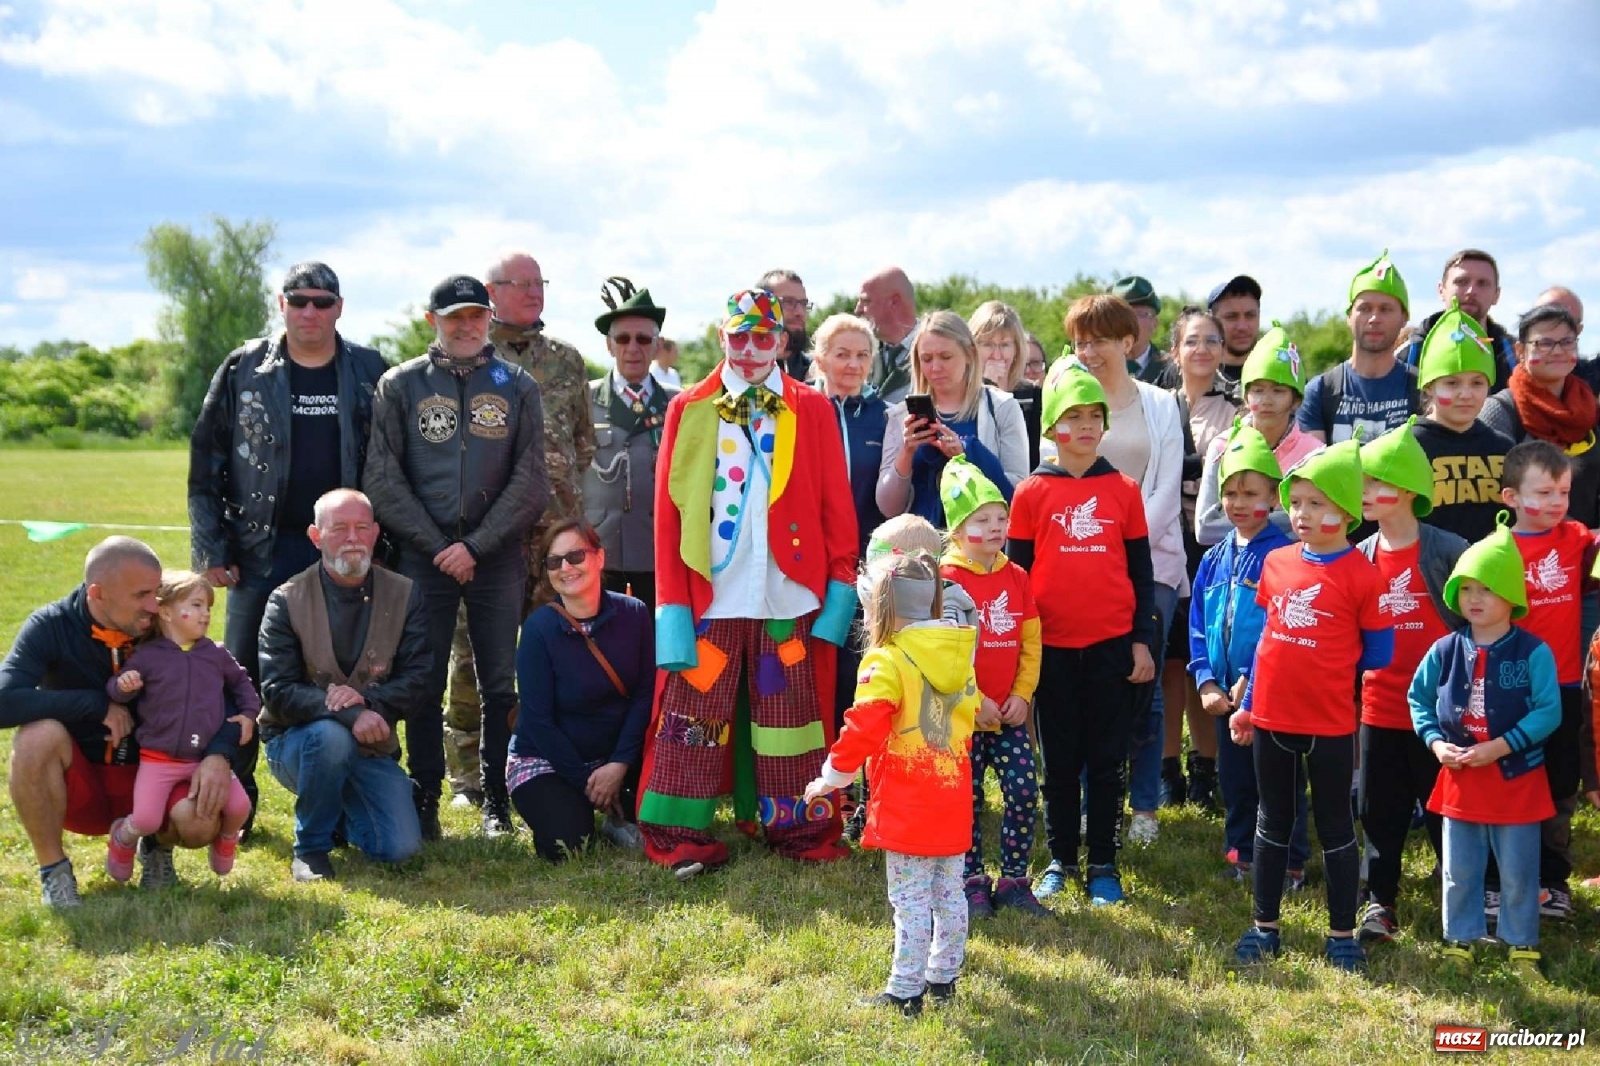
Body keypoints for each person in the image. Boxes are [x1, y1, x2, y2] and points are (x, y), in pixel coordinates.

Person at [636, 288, 860, 876]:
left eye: (765, 337)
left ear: (782, 341)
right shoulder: (689, 406)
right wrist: (672, 610)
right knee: (694, 722)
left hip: (790, 596)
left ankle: (800, 828)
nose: (752, 349)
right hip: (712, 597)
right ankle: (678, 834)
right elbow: (667, 517)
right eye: (740, 336)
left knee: (790, 719)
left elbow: (837, 506)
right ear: (722, 337)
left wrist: (840, 594)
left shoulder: (811, 407)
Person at [188, 260, 388, 840]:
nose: (309, 311)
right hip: (260, 547)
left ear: (339, 308)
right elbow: (207, 465)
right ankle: (239, 795)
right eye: (298, 300)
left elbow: (392, 466)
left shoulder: (371, 370)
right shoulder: (244, 367)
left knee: (353, 667)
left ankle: (355, 793)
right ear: (281, 304)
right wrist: (210, 545)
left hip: (346, 547)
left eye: (322, 302)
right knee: (243, 673)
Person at [363, 274, 550, 840]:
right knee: (422, 681)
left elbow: (532, 480)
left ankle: (496, 799)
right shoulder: (401, 386)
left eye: (475, 315)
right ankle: (425, 799)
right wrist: (442, 547)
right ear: (432, 322)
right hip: (425, 557)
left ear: (489, 318)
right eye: (454, 317)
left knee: (498, 682)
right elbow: (382, 477)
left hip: (494, 557)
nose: (466, 326)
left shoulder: (517, 385)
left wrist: (475, 546)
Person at [441, 253, 597, 813]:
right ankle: (468, 776)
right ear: (491, 292)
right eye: (520, 284)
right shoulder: (470, 357)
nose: (533, 292)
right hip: (488, 534)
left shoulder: (568, 360)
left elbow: (582, 441)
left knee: (554, 650)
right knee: (476, 654)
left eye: (539, 283)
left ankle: (542, 758)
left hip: (554, 536)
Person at [1229, 437, 1392, 972]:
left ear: (1346, 511)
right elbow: (1265, 642)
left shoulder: (1365, 576)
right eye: (1296, 502)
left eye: (1316, 503)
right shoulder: (1275, 562)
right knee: (1272, 820)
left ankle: (1342, 934)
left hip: (1329, 723)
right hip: (1272, 718)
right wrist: (1248, 704)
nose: (1301, 513)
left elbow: (1379, 651)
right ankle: (1264, 927)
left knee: (1336, 826)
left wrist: (1331, 674)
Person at [1, 537, 237, 906]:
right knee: (35, 736)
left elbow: (230, 698)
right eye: (141, 595)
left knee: (199, 821)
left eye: (156, 592)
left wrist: (219, 755)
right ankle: (55, 872)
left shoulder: (164, 624)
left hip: (155, 778)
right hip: (82, 787)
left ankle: (156, 847)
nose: (153, 606)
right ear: (98, 593)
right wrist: (95, 704)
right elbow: (3, 702)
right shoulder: (51, 625)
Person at [803, 549, 980, 1016]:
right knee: (949, 892)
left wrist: (831, 777)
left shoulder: (885, 661)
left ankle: (905, 990)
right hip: (953, 793)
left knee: (910, 900)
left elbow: (865, 724)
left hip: (908, 798)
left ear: (879, 608)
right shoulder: (959, 649)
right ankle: (944, 977)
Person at [1009, 364, 1156, 905]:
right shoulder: (1030, 493)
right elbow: (1016, 579)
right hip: (1050, 653)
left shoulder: (1124, 490)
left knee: (1107, 761)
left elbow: (1141, 572)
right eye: (1074, 416)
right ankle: (1061, 859)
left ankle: (1104, 866)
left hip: (1112, 648)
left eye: (1096, 415)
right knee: (1061, 762)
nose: (1088, 426)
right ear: (1051, 427)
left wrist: (1141, 639)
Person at [1409, 524, 1559, 979]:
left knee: (1517, 870)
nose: (1474, 598)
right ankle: (1460, 938)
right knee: (1459, 868)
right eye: (1465, 588)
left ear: (1512, 597)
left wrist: (1499, 746)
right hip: (1460, 778)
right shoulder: (1444, 649)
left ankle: (1521, 944)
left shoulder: (1534, 651)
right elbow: (1418, 699)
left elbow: (1548, 711)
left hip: (1516, 778)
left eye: (1487, 589)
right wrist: (1436, 743)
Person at [1065, 295, 1186, 844]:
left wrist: (1122, 544)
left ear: (1127, 342)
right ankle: (1095, 804)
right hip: (1081, 569)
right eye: (1080, 341)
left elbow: (1164, 488)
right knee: (1090, 690)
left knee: (1145, 686)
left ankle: (1143, 809)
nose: (1089, 351)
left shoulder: (1159, 403)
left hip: (1151, 565)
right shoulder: (1065, 398)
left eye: (1100, 340)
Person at [257, 489, 427, 881]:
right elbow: (277, 690)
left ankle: (337, 811)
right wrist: (351, 713)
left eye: (361, 527)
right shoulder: (285, 600)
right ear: (316, 537)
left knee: (399, 849)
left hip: (370, 750)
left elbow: (420, 679)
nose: (352, 537)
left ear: (375, 533)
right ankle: (311, 848)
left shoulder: (405, 594)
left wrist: (369, 699)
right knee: (331, 739)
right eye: (339, 529)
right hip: (298, 745)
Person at [1353, 422, 1467, 946]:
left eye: (1372, 482)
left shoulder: (1448, 549)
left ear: (1405, 489)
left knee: (1447, 811)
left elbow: (1475, 625)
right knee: (1380, 811)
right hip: (1378, 707)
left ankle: (1461, 904)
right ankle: (1380, 902)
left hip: (1442, 715)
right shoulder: (1360, 556)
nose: (1362, 493)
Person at [1187, 422, 1309, 885]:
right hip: (1225, 697)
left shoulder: (1285, 556)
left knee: (1279, 781)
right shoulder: (1213, 558)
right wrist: (1206, 681)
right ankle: (1241, 854)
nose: (1239, 504)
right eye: (1230, 493)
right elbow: (1198, 625)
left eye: (1250, 492)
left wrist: (1253, 681)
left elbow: (1281, 627)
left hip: (1273, 696)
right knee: (1235, 781)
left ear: (1275, 497)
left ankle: (1291, 860)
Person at [938, 458, 1045, 919]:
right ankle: (970, 879)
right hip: (964, 716)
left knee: (1023, 791)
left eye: (1001, 518)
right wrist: (972, 699)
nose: (997, 527)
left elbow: (1031, 641)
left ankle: (1015, 881)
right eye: (983, 520)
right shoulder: (945, 581)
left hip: (1007, 715)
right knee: (966, 799)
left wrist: (1022, 694)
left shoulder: (1017, 577)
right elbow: (941, 652)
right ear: (958, 530)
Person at [1493, 442, 1595, 921]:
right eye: (1544, 492)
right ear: (1510, 497)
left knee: (1558, 788)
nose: (1556, 502)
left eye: (1564, 491)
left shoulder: (1576, 538)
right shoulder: (1496, 551)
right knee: (1506, 781)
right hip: (1510, 687)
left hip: (1565, 686)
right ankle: (1496, 879)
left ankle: (1552, 880)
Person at [510, 519, 652, 861]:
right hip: (548, 760)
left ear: (599, 558)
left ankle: (614, 812)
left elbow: (645, 694)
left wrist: (619, 764)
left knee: (662, 817)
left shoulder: (635, 614)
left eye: (575, 555)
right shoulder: (538, 630)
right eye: (554, 561)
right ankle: (589, 807)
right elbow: (538, 722)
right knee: (569, 845)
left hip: (616, 756)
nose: (566, 568)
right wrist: (589, 781)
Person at [104, 571, 258, 881]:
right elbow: (116, 689)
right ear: (166, 612)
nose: (205, 615)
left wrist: (249, 712)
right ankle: (122, 837)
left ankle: (227, 840)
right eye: (197, 605)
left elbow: (242, 681)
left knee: (241, 807)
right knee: (146, 820)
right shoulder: (148, 656)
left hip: (203, 760)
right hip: (157, 760)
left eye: (209, 608)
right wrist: (123, 685)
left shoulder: (216, 654)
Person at [1163, 308, 1239, 809]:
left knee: (1204, 658)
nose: (1204, 350)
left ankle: (1205, 768)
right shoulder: (1157, 404)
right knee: (1170, 657)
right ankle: (1167, 768)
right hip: (1168, 540)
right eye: (1193, 341)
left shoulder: (1235, 407)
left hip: (1214, 542)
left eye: (1213, 340)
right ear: (1176, 350)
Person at [809, 313, 889, 747]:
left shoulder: (884, 416)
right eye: (842, 354)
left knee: (857, 671)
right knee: (811, 670)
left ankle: (858, 778)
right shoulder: (800, 410)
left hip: (866, 564)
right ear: (820, 359)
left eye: (862, 355)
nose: (853, 364)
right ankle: (814, 772)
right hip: (809, 565)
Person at [876, 311, 1030, 529]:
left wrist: (967, 456)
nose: (935, 367)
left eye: (945, 357)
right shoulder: (901, 416)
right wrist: (907, 452)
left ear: (969, 354)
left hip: (982, 550)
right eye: (926, 359)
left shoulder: (1002, 407)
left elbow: (1018, 494)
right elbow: (888, 508)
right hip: (921, 548)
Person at [584, 279, 677, 613]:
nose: (632, 348)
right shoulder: (584, 399)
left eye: (643, 339)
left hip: (658, 549)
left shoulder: (678, 403)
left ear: (656, 346)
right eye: (622, 339)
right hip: (599, 547)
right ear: (610, 346)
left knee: (656, 647)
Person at [1195, 322, 1323, 546]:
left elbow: (1316, 522)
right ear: (1245, 396)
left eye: (1278, 391)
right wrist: (1285, 519)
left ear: (1297, 400)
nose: (1266, 400)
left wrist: (1243, 519)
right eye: (1257, 390)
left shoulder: (1314, 454)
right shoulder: (1222, 446)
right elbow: (1205, 529)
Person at [1480, 305, 1598, 528]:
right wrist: (1574, 536)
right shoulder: (1500, 411)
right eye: (1543, 343)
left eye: (1566, 342)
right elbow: (1497, 495)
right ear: (1520, 351)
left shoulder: (1590, 407)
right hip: (1524, 550)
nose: (1557, 351)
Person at [1410, 301, 1513, 542]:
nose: (1465, 394)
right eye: (1452, 383)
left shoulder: (1504, 449)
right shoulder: (1404, 447)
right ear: (1429, 387)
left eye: (1477, 383)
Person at [1300, 251, 1419, 444]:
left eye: (1385, 309)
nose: (1374, 318)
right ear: (1349, 316)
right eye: (1364, 309)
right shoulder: (1320, 391)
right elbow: (1312, 467)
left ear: (1404, 318)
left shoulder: (1421, 389)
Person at [1401, 249, 1517, 392]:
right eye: (1461, 282)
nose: (1471, 291)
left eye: (1482, 283)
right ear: (1441, 290)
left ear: (1496, 295)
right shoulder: (1409, 353)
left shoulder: (1515, 356)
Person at [970, 300, 1043, 470]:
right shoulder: (963, 394)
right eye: (987, 344)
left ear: (1016, 349)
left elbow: (1032, 458)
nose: (997, 354)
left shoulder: (1032, 394)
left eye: (1004, 345)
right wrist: (988, 387)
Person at [858, 267, 919, 404]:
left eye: (866, 301)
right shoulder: (862, 352)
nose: (858, 310)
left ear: (894, 302)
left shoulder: (937, 350)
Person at [1111, 276, 1176, 388]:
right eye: (1122, 315)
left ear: (1155, 324)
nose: (1130, 322)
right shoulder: (1098, 366)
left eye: (1139, 314)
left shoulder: (1173, 369)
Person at [1207, 274, 1263, 395]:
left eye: (1250, 315)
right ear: (1212, 321)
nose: (1242, 326)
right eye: (1231, 317)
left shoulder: (1280, 371)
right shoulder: (1190, 373)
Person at [760, 269, 814, 381]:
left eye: (803, 304)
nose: (800, 312)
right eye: (788, 302)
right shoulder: (741, 373)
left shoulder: (820, 373)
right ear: (762, 306)